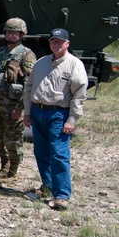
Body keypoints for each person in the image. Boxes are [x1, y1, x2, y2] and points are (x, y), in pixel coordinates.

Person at [23, 28, 87, 211]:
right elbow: (29, 89)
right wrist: (28, 112)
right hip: (38, 111)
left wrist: (72, 120)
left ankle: (62, 195)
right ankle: (48, 186)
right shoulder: (41, 63)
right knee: (41, 152)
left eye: (60, 41)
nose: (56, 44)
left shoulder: (74, 65)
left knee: (59, 154)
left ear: (67, 43)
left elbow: (79, 95)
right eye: (53, 41)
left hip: (59, 114)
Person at [0, 18, 37, 181]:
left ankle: (13, 171)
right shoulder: (1, 52)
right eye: (9, 31)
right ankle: (4, 167)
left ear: (21, 34)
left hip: (13, 106)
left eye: (15, 32)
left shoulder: (26, 55)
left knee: (13, 140)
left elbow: (29, 83)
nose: (11, 35)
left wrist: (21, 108)